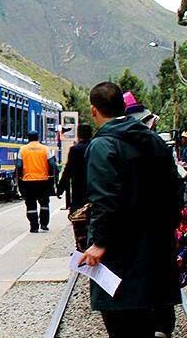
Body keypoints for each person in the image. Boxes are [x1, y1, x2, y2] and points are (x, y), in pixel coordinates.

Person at [78, 82, 181, 338]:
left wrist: (100, 242)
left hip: (121, 255)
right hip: (158, 247)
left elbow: (105, 200)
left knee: (123, 324)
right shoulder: (155, 142)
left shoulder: (103, 146)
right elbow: (177, 189)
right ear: (124, 107)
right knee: (149, 322)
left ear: (94, 110)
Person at [57, 123, 92, 251]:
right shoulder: (95, 147)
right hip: (93, 189)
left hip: (78, 191)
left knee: (79, 219)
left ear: (79, 134)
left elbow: (68, 170)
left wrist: (60, 187)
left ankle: (81, 245)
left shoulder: (75, 149)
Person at [17, 130, 57, 232]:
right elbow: (52, 164)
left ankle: (34, 227)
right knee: (44, 204)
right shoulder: (45, 149)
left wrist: (20, 179)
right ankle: (44, 224)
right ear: (38, 137)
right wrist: (51, 177)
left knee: (30, 204)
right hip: (43, 180)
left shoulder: (22, 150)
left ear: (28, 138)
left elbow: (19, 166)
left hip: (28, 181)